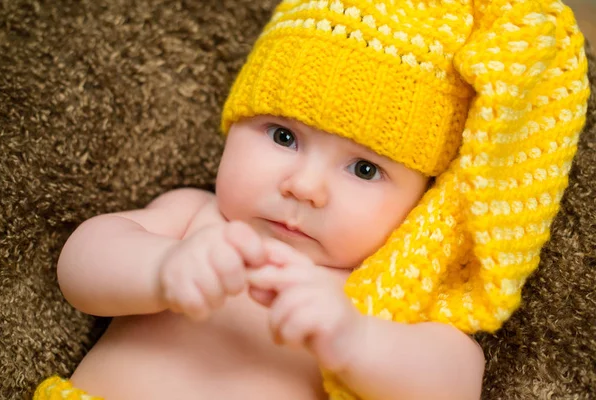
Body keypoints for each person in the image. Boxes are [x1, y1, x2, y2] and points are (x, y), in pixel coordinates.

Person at [34, 0, 589, 399]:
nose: (305, 186)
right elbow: (80, 268)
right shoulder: (193, 217)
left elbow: (454, 383)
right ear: (233, 126)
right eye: (283, 136)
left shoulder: (387, 295)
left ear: (421, 203)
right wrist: (162, 270)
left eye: (365, 169)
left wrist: (354, 340)